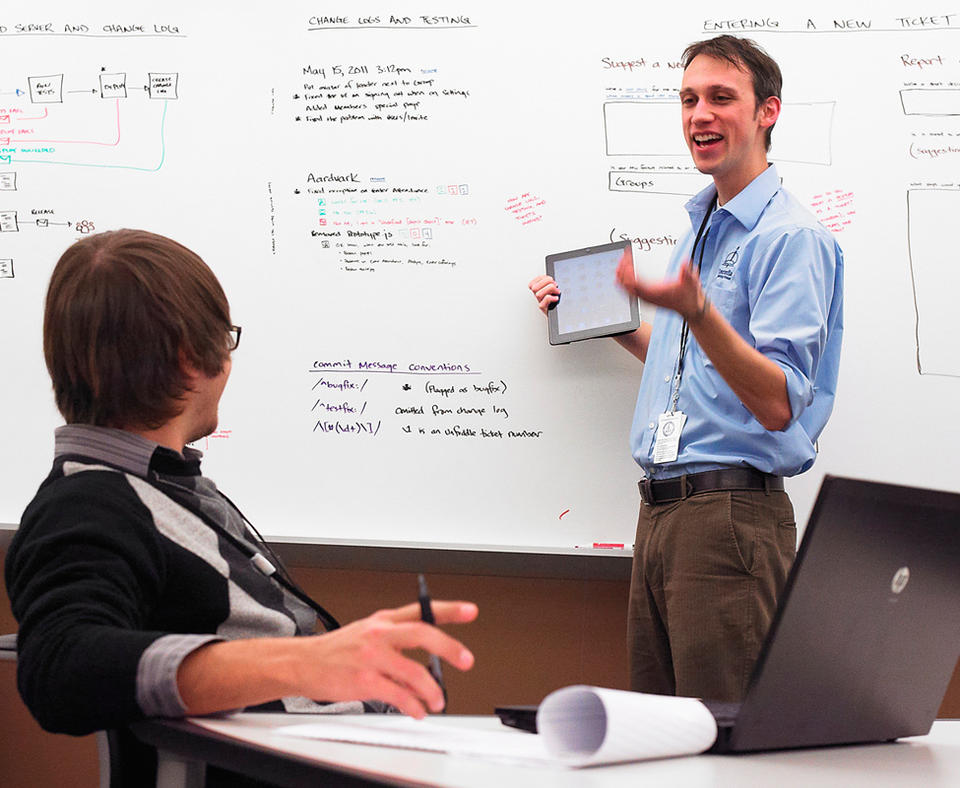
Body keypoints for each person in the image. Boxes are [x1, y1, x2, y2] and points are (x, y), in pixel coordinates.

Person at [5, 229, 477, 781]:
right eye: (225, 339)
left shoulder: (164, 484)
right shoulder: (88, 503)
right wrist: (304, 663)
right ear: (189, 359)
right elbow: (60, 668)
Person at [529, 35, 843, 702]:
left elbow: (779, 401)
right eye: (688, 99)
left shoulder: (789, 238)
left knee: (722, 741)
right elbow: (692, 366)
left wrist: (697, 310)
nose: (699, 114)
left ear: (768, 112)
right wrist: (597, 317)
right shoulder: (700, 229)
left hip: (728, 519)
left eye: (721, 98)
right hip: (663, 516)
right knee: (664, 738)